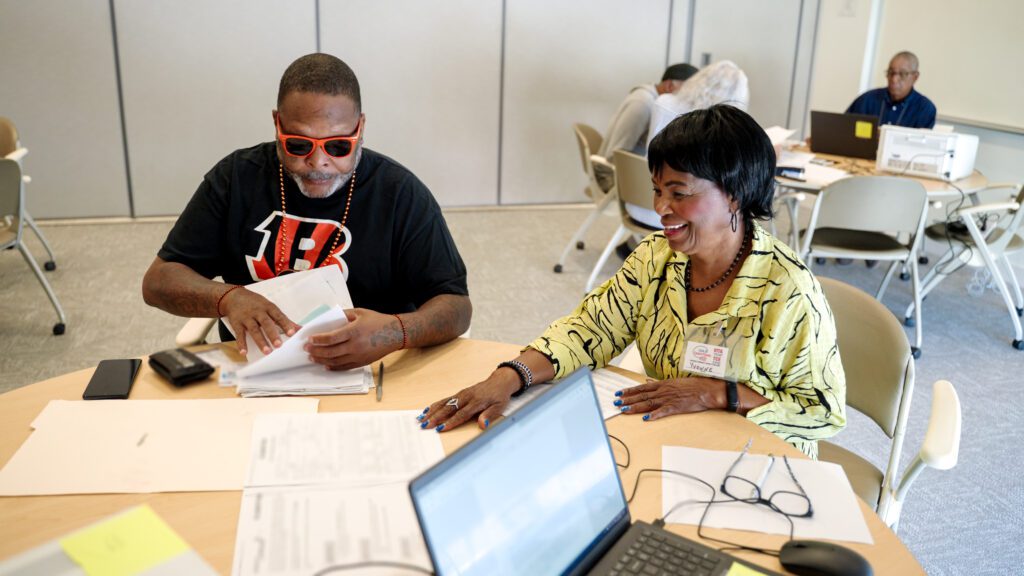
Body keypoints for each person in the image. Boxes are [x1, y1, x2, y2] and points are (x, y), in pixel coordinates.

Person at [421, 104, 846, 458]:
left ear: (735, 194)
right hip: (664, 442)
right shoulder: (656, 258)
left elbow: (821, 411)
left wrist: (718, 394)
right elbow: (588, 330)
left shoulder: (788, 291)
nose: (660, 207)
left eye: (679, 193)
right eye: (658, 189)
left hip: (755, 463)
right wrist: (508, 379)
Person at [142, 53, 471, 370]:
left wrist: (393, 332)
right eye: (298, 145)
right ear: (276, 124)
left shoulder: (400, 194)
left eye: (339, 145)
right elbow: (158, 281)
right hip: (256, 370)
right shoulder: (236, 180)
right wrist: (228, 298)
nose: (318, 162)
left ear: (361, 127)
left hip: (372, 370)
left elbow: (456, 306)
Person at [846, 51, 936, 129]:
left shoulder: (925, 108)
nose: (894, 79)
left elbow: (919, 147)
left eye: (902, 74)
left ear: (915, 77)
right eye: (891, 72)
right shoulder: (867, 100)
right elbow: (844, 130)